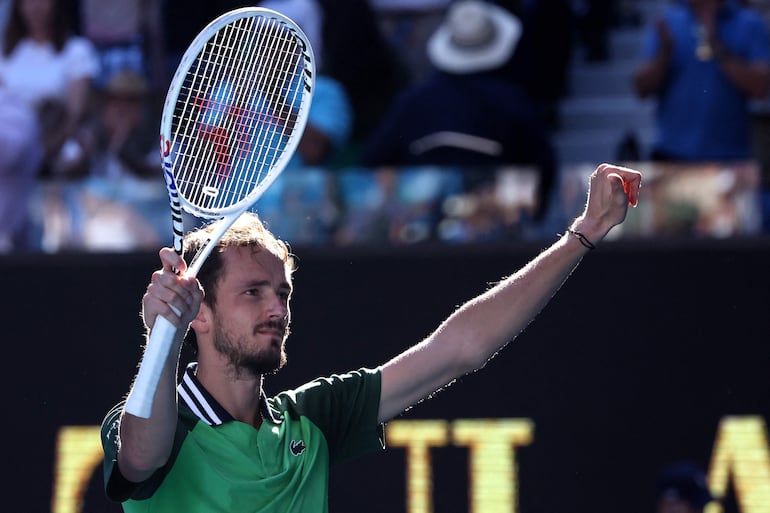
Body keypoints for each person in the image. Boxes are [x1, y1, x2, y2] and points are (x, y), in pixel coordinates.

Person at [100, 162, 642, 512]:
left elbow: (458, 350)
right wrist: (162, 340)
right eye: (253, 292)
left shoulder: (312, 418)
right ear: (200, 313)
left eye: (283, 293)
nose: (277, 308)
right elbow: (141, 459)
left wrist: (583, 234)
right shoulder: (153, 420)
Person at [359, 0, 557, 221]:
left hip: (439, 231)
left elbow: (372, 160)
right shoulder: (513, 103)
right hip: (493, 233)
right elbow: (543, 170)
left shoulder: (414, 102)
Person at [632, 0, 770, 162]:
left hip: (730, 158)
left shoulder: (749, 23)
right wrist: (664, 52)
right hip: (672, 155)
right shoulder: (668, 23)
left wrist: (717, 46)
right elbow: (641, 89)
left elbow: (761, 88)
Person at [0, 0, 100, 177]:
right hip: (10, 155)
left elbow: (74, 114)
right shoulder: (5, 53)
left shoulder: (77, 51)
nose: (36, 7)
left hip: (56, 150)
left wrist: (43, 150)